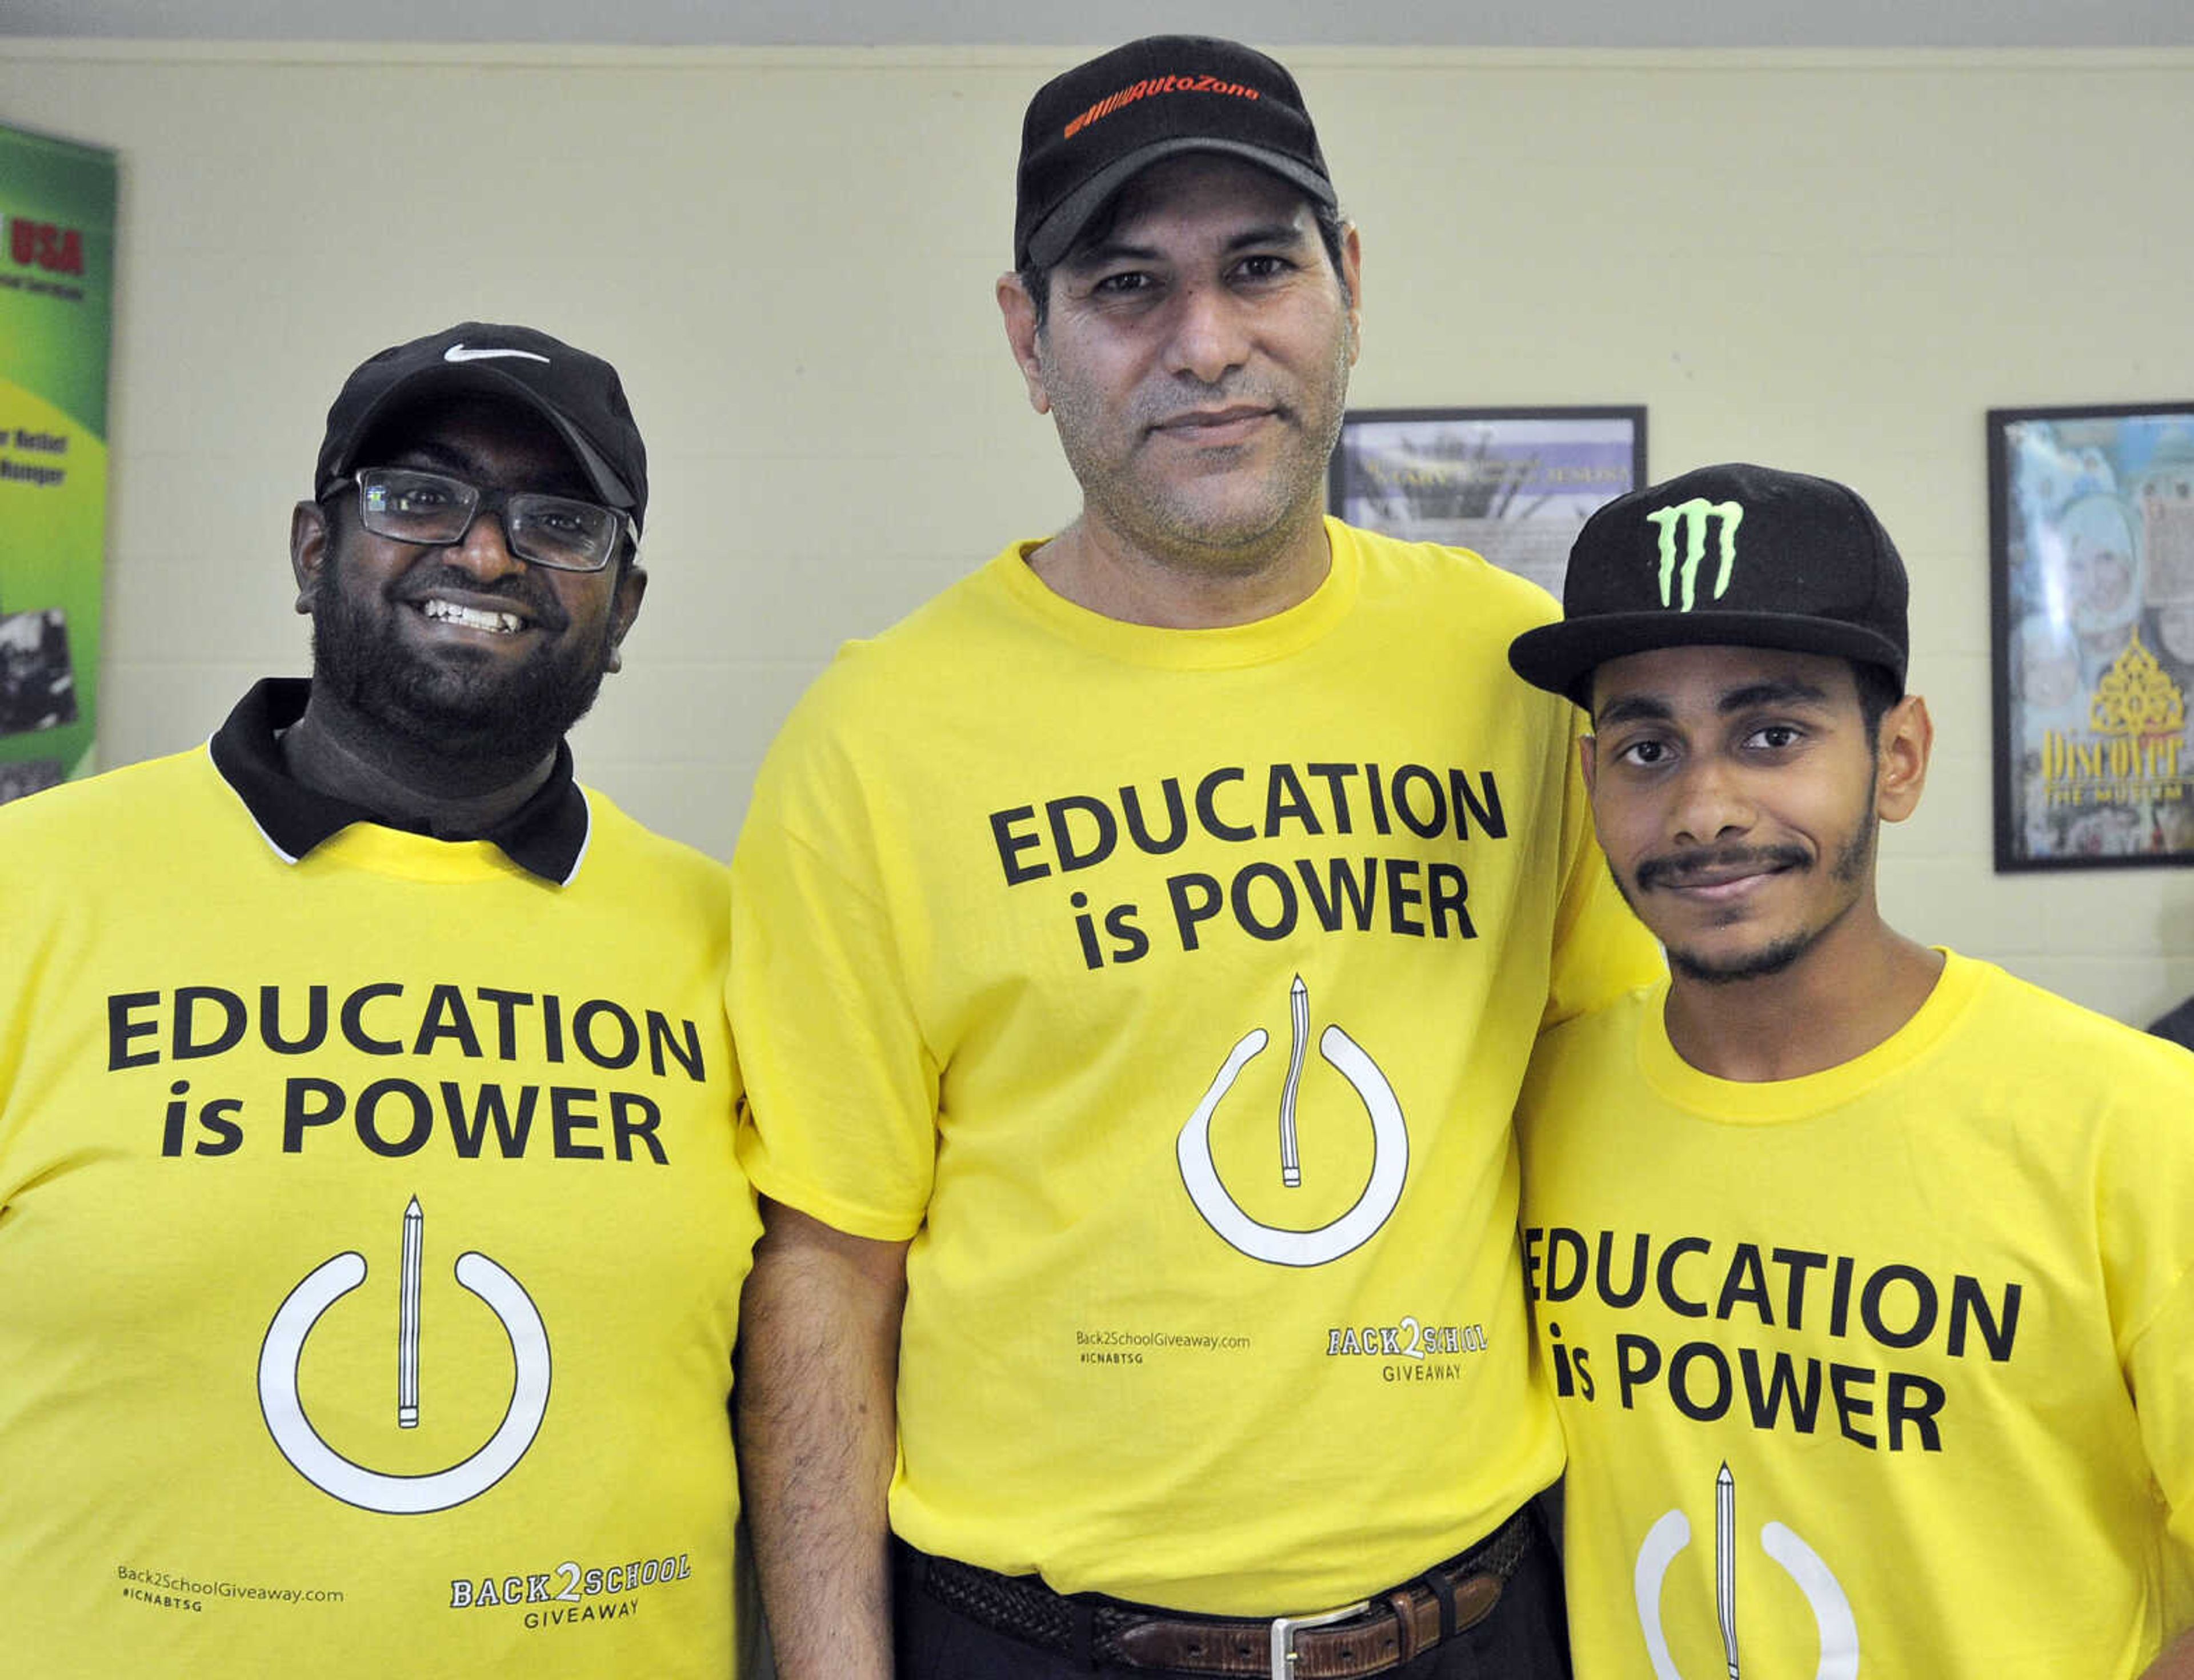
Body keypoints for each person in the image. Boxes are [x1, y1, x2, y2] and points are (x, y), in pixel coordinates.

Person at [730, 34, 1660, 1680]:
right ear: (1029, 337)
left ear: (1348, 284)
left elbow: (1623, 1114)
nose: (1209, 345)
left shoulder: (1519, 673)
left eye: (1259, 269)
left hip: (1477, 1622)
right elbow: (827, 1266)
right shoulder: (875, 737)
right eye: (1127, 287)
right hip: (1033, 1637)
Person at [0, 322, 759, 1678]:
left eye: (559, 522)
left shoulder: (740, 945)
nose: (483, 553)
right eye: (419, 497)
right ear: (311, 549)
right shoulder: (32, 885)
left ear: (626, 608)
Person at [1506, 461, 2194, 1675]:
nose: (1705, 808)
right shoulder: (1533, 1106)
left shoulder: (2137, 1122)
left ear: (1901, 757)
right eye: (1648, 748)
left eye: (1773, 734)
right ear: (1590, 782)